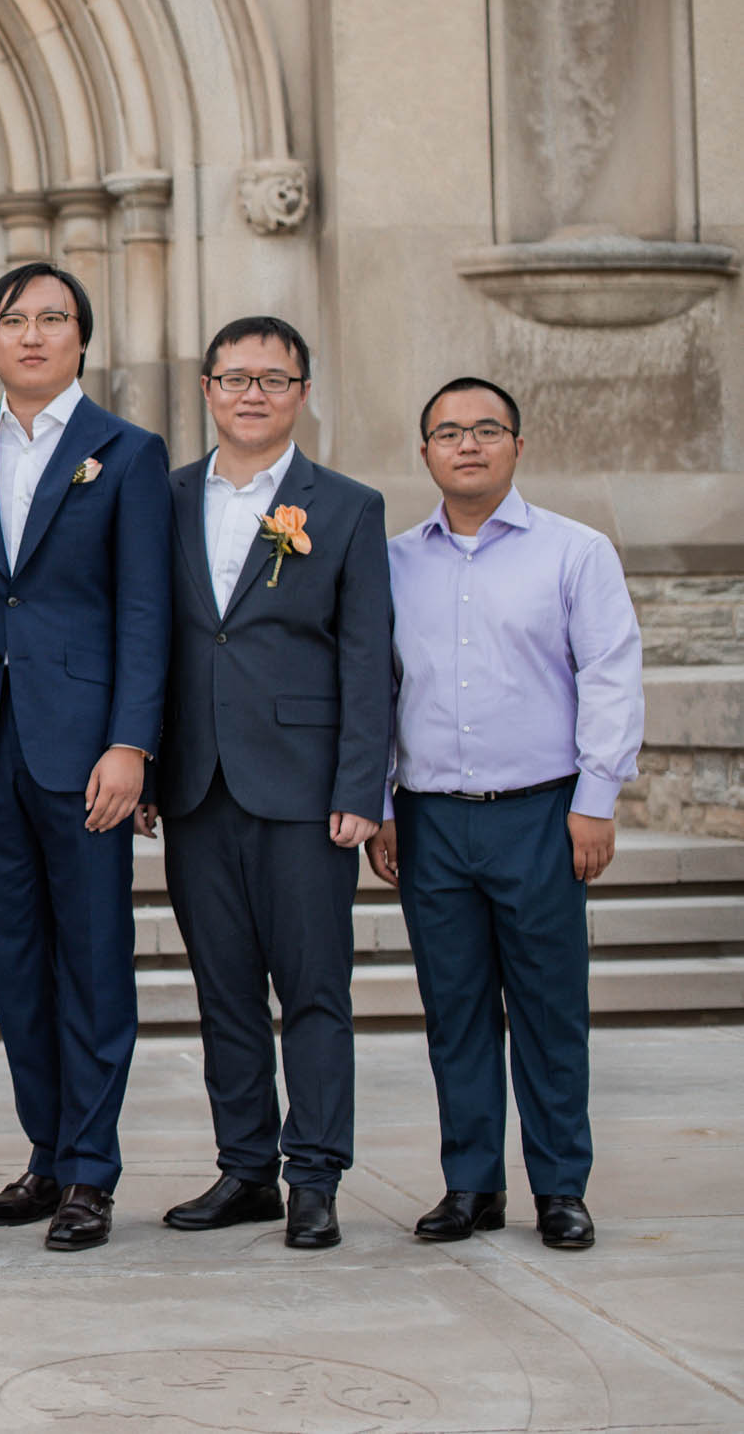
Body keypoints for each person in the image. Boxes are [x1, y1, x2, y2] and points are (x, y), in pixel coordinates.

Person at [0, 262, 169, 1252]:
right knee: (15, 962)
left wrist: (131, 742)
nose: (31, 334)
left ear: (81, 339)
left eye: (52, 318)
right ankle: (48, 1151)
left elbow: (146, 609)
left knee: (95, 961)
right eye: (13, 319)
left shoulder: (127, 452)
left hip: (86, 752)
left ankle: (92, 1170)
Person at [369, 377, 642, 1253]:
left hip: (541, 814)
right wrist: (382, 803)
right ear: (425, 452)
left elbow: (610, 673)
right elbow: (377, 690)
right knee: (454, 1010)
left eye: (487, 429)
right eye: (449, 432)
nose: (469, 444)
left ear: (518, 446)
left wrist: (596, 799)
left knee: (550, 1011)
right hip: (431, 820)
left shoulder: (575, 552)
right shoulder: (392, 562)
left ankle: (560, 1187)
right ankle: (472, 1183)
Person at [140, 316, 391, 1253]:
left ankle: (314, 1174)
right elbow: (149, 636)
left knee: (315, 989)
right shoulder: (162, 498)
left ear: (302, 393)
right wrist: (148, 761)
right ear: (207, 388)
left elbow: (367, 658)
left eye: (273, 379)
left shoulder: (348, 506)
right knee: (225, 990)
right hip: (196, 785)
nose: (253, 393)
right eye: (236, 377)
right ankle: (245, 1167)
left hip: (306, 790)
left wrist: (362, 786)